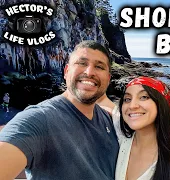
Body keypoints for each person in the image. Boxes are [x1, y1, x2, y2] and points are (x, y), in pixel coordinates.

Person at [0, 40, 119, 180]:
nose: (89, 72)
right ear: (66, 72)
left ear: (108, 79)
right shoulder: (39, 118)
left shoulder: (107, 119)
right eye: (82, 63)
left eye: (99, 67)